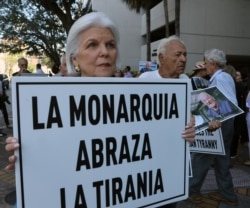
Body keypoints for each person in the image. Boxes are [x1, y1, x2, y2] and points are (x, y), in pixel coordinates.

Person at [5, 12, 195, 208]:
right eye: (92, 45)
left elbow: (157, 146)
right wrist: (28, 153)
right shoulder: (47, 103)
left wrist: (183, 132)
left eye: (110, 45)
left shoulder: (141, 96)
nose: (104, 52)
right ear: (75, 59)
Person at [139, 36, 220, 208]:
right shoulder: (146, 79)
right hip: (148, 161)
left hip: (175, 160)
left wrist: (207, 124)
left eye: (185, 54)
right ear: (162, 58)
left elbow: (190, 116)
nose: (183, 59)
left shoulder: (185, 81)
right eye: (178, 54)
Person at [189, 48, 238, 206]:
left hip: (218, 124)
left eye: (206, 62)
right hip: (224, 123)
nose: (204, 65)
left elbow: (229, 104)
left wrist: (216, 121)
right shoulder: (224, 77)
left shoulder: (221, 78)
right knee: (221, 159)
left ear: (214, 63)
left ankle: (192, 191)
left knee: (201, 157)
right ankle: (228, 194)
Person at [223, 65, 249, 158]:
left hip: (228, 113)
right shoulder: (239, 86)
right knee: (234, 135)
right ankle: (232, 155)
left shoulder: (228, 85)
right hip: (239, 113)